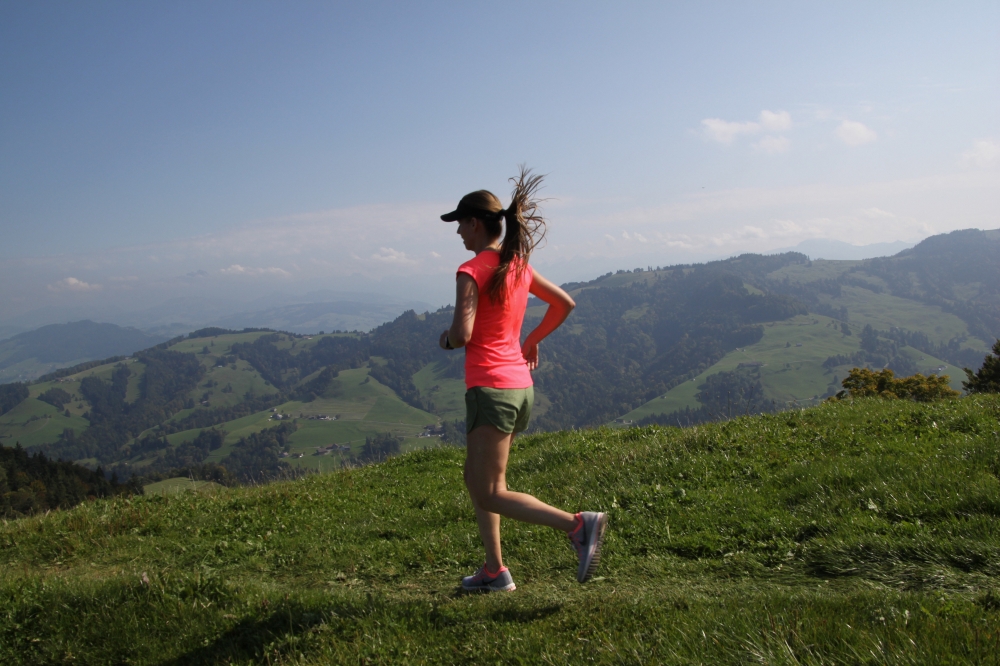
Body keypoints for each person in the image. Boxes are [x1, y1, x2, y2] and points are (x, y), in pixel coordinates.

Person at [438, 167, 607, 592]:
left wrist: (445, 339)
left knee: (490, 490)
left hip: (491, 389)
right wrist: (530, 341)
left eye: (460, 223)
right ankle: (495, 571)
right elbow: (564, 303)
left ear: (475, 224)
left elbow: (462, 334)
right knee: (477, 480)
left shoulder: (471, 270)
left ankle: (577, 525)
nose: (458, 232)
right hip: (520, 389)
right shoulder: (518, 266)